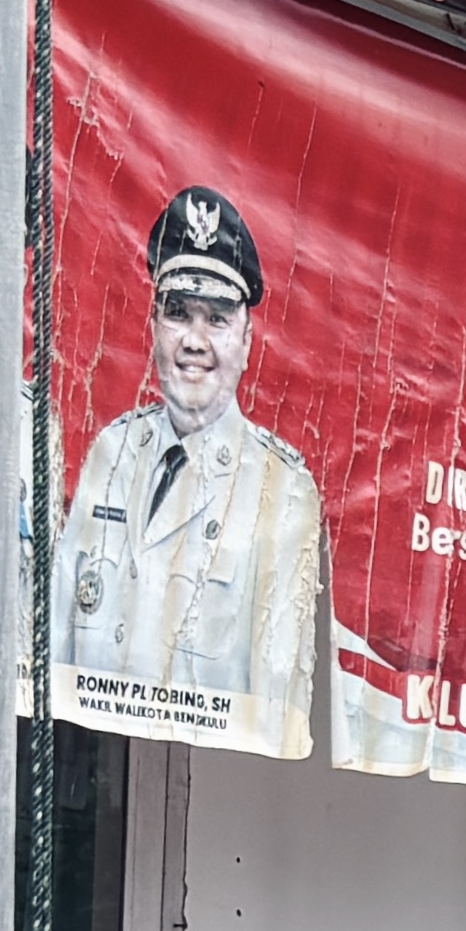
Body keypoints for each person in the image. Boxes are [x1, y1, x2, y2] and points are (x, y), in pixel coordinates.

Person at [54, 185, 329, 725]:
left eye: (217, 318)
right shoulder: (112, 452)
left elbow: (276, 715)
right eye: (178, 313)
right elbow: (56, 642)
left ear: (247, 341)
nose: (195, 341)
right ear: (153, 327)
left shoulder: (282, 490)